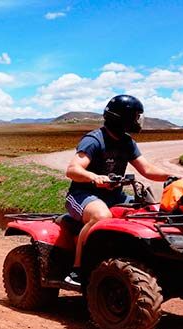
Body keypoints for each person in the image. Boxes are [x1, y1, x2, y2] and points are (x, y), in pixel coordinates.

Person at [63, 94, 175, 289]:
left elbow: (147, 169)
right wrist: (94, 177)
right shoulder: (94, 140)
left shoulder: (126, 142)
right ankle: (77, 270)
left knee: (149, 212)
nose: (138, 121)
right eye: (136, 116)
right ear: (123, 118)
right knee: (101, 216)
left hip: (114, 195)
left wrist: (171, 177)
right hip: (82, 195)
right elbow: (72, 170)